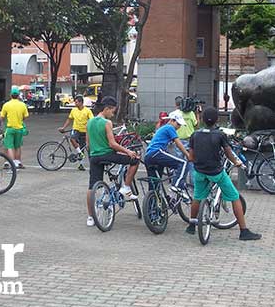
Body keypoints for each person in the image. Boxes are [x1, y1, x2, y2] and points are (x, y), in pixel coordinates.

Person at [185, 107, 262, 240]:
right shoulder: (220, 135)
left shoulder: (195, 135)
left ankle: (192, 225)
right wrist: (237, 163)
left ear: (202, 119)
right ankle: (244, 231)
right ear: (216, 120)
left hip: (199, 171)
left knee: (197, 197)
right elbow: (228, 153)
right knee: (234, 196)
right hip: (216, 172)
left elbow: (191, 157)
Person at [86, 96, 140, 227]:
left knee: (92, 186)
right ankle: (126, 188)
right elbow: (112, 144)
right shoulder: (106, 123)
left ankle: (90, 217)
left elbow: (88, 144)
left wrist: (94, 154)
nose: (113, 114)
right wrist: (128, 151)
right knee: (135, 161)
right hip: (107, 155)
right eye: (112, 111)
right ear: (107, 109)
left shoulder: (90, 122)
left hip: (94, 157)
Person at [144, 111, 191, 193]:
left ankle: (152, 202)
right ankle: (177, 185)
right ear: (172, 120)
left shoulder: (163, 128)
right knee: (183, 163)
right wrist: (187, 155)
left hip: (148, 157)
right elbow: (178, 143)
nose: (179, 127)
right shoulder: (170, 128)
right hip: (157, 152)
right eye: (178, 124)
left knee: (154, 185)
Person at [58, 95, 93, 171]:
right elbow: (69, 119)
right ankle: (80, 153)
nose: (75, 103)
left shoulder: (87, 111)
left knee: (87, 148)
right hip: (76, 129)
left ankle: (82, 164)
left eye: (76, 102)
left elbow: (92, 120)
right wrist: (63, 127)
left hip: (85, 131)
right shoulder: (73, 110)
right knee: (72, 139)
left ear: (81, 102)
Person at [0, 86, 30, 169]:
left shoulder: (6, 105)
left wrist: (4, 120)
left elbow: (2, 117)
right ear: (18, 95)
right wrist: (20, 120)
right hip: (19, 129)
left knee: (9, 146)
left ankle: (11, 162)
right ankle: (18, 162)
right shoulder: (22, 105)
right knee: (18, 146)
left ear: (10, 95)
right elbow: (26, 116)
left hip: (10, 128)